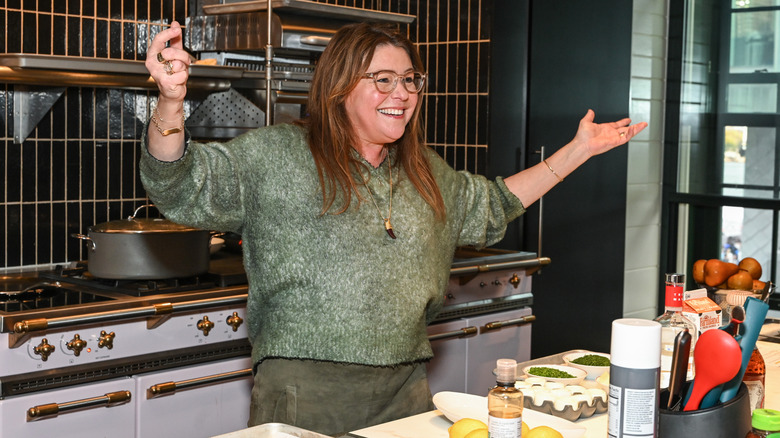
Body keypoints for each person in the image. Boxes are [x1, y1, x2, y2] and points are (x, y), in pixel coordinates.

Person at [141, 21, 647, 435]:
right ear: (339, 89)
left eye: (409, 80)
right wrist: (170, 101)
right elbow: (178, 183)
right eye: (382, 79)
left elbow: (493, 205)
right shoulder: (277, 156)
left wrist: (579, 149)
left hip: (407, 388)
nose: (401, 93)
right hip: (306, 391)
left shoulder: (424, 171)